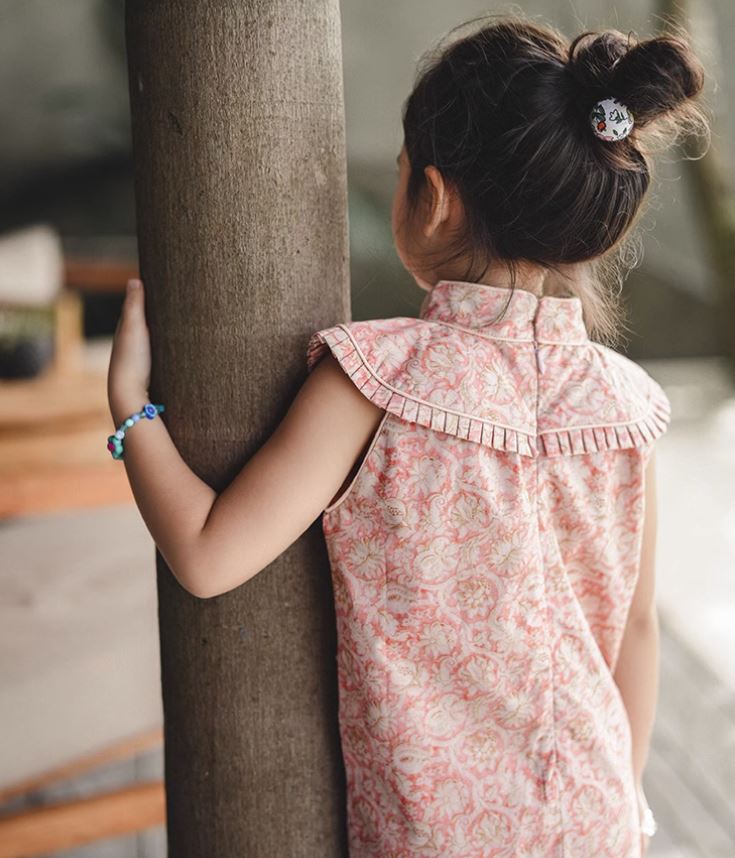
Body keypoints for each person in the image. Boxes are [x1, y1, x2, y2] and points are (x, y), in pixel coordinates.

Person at [107, 13, 708, 858]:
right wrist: (620, 808)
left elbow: (208, 556)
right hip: (597, 814)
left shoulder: (377, 379)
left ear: (433, 196)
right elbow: (634, 630)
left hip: (437, 835)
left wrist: (131, 409)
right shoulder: (627, 405)